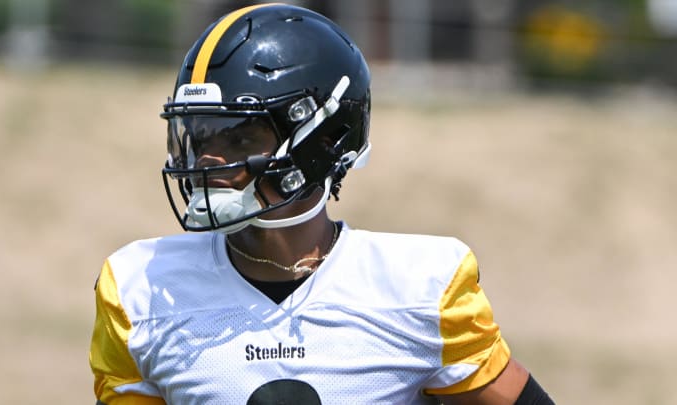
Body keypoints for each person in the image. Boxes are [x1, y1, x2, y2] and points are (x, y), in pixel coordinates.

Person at [89, 3, 554, 404]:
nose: (208, 159)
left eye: (241, 135)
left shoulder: (421, 291)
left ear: (327, 139)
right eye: (199, 133)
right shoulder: (140, 291)